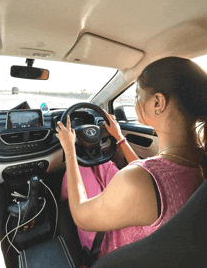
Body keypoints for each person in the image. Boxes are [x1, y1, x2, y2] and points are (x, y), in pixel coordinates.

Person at [56, 56, 207, 259]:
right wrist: (119, 138)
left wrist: (70, 151)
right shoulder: (199, 159)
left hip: (116, 254)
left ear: (157, 102)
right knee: (104, 165)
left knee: (82, 169)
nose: (135, 102)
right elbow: (152, 173)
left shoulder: (137, 180)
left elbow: (81, 216)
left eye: (137, 95)